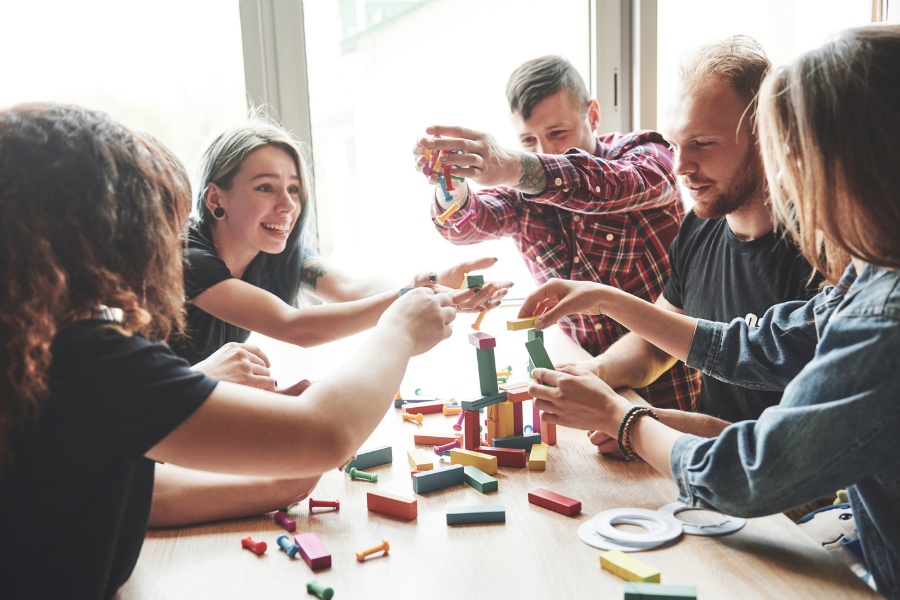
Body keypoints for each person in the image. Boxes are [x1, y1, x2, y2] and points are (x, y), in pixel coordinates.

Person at [0, 103, 457, 599]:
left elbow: (131, 488)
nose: (166, 242)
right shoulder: (88, 356)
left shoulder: (40, 340)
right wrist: (401, 330)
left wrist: (278, 476)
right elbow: (325, 432)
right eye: (156, 222)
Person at [521, 25, 900, 597]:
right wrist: (603, 304)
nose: (791, 177)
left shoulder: (883, 314)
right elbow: (756, 345)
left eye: (797, 155)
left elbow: (759, 471)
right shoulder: (870, 275)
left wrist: (628, 420)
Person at [412, 55, 699, 411]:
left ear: (592, 115)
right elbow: (466, 225)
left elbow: (613, 185)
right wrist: (450, 188)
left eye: (557, 134)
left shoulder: (646, 154)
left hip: (675, 389)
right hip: (583, 387)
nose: (545, 151)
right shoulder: (522, 196)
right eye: (529, 141)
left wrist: (517, 166)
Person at [575, 36, 820, 447]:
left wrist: (647, 426)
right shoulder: (699, 227)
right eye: (674, 144)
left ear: (766, 135)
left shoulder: (824, 252)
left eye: (703, 143)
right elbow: (657, 346)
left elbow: (801, 451)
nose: (680, 166)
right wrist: (594, 372)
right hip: (706, 472)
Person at [170, 116, 510, 367]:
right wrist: (413, 296)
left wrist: (432, 287)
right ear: (216, 199)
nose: (288, 205)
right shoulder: (189, 257)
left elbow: (350, 288)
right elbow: (296, 328)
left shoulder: (274, 252)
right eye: (265, 187)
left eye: (293, 189)